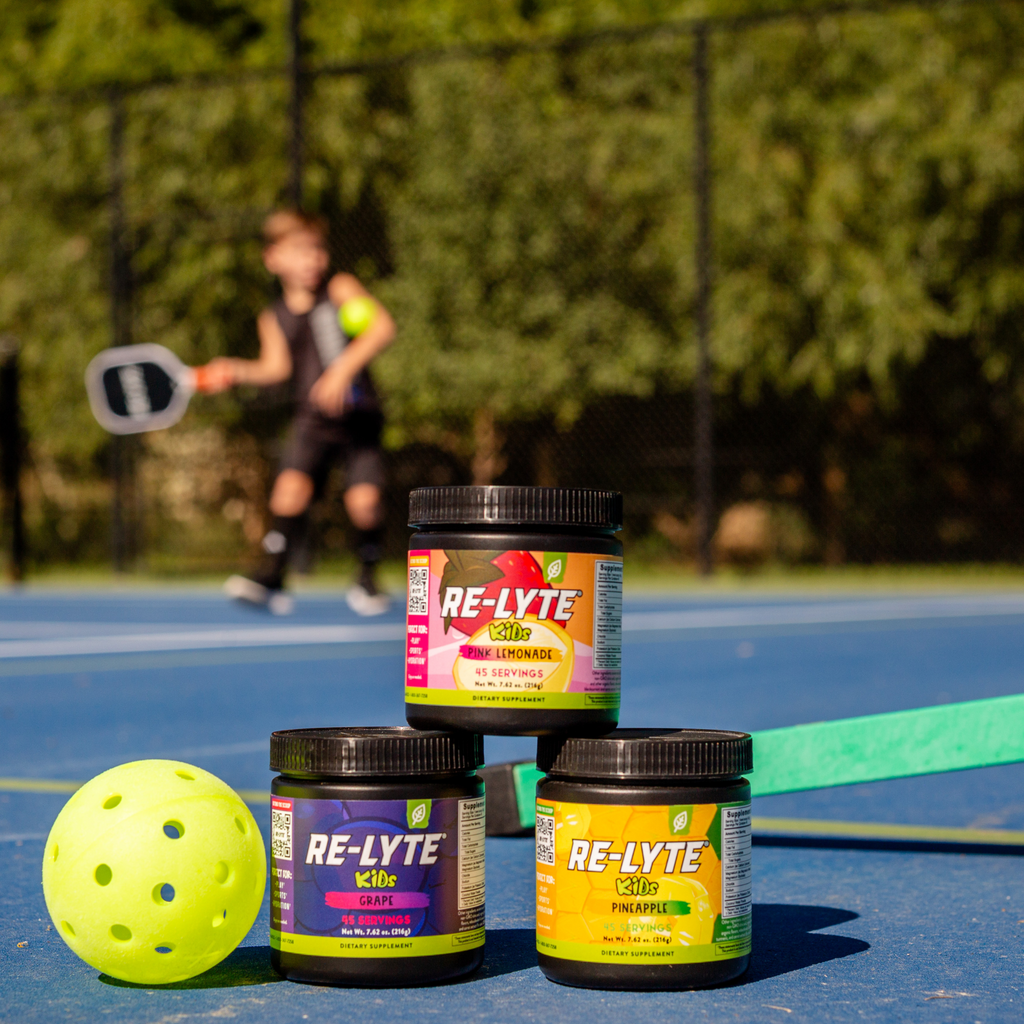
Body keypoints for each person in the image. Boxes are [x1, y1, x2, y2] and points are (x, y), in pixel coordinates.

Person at [200, 210, 396, 615]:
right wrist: (235, 370)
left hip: (358, 417)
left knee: (364, 502)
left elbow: (382, 328)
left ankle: (367, 576)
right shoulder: (273, 315)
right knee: (289, 491)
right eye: (300, 251)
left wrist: (342, 368)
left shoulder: (340, 288)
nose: (312, 259)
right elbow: (276, 369)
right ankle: (271, 575)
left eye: (317, 249)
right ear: (273, 258)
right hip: (314, 420)